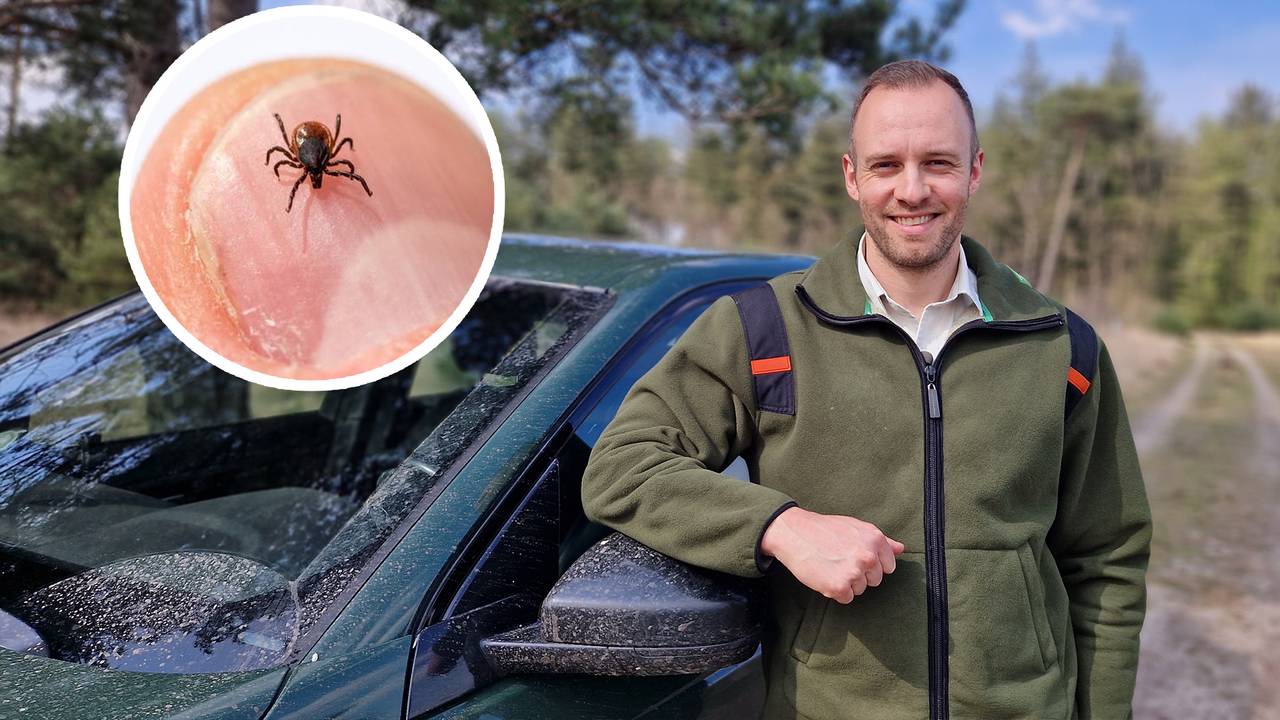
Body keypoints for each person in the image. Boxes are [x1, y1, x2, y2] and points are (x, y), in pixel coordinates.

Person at [580, 59, 1152, 720]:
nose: (912, 190)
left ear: (975, 171)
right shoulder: (762, 331)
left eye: (938, 162)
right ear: (852, 176)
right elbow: (622, 467)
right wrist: (779, 527)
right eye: (886, 165)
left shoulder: (1063, 348)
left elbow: (1107, 561)